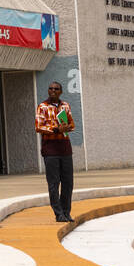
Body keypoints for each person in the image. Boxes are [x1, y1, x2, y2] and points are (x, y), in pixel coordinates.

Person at [36, 81, 77, 222]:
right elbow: (39, 127)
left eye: (56, 89)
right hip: (50, 149)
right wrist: (55, 129)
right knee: (54, 183)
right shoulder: (42, 107)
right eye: (50, 88)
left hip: (65, 147)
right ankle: (58, 214)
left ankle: (66, 212)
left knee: (68, 182)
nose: (53, 90)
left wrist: (66, 127)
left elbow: (72, 124)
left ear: (61, 92)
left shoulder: (65, 106)